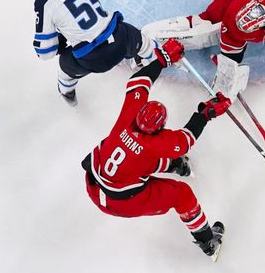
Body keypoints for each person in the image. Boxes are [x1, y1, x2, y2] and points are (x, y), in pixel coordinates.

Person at [82, 38, 231, 260]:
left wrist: (162, 59)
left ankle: (176, 166)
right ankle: (207, 241)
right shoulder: (158, 143)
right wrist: (205, 113)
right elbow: (185, 139)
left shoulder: (130, 115)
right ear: (160, 127)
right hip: (121, 201)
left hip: (96, 183)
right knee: (182, 194)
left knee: (140, 160)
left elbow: (139, 80)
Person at [33, 0, 158, 106]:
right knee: (137, 37)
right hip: (119, 42)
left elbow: (45, 53)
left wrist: (60, 40)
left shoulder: (44, 4)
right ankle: (154, 58)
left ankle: (69, 98)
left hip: (92, 61)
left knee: (64, 68)